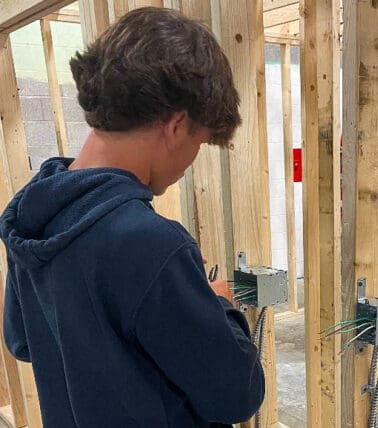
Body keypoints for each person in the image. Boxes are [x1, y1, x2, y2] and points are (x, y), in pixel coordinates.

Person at [0, 7, 264, 428]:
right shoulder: (151, 243)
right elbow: (235, 395)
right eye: (200, 140)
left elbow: (21, 340)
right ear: (177, 125)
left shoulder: (35, 211)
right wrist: (219, 306)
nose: (191, 160)